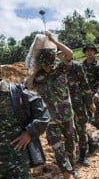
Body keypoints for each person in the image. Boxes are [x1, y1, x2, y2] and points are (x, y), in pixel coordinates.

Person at [31, 31, 77, 179]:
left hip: (66, 115)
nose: (48, 68)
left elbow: (70, 54)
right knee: (57, 147)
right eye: (44, 65)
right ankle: (66, 172)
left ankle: (72, 166)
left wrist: (54, 41)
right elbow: (28, 85)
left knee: (70, 143)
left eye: (50, 65)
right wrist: (36, 69)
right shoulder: (38, 77)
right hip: (50, 119)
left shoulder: (61, 69)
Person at [67, 59, 97, 166]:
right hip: (64, 106)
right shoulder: (55, 69)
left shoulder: (76, 66)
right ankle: (92, 142)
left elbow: (85, 84)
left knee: (81, 128)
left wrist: (90, 102)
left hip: (78, 103)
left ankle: (83, 157)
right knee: (75, 130)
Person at [82, 44, 99, 143]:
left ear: (94, 52)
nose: (89, 52)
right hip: (85, 95)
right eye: (87, 51)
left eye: (91, 50)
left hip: (96, 95)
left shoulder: (98, 65)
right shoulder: (82, 65)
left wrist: (98, 93)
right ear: (85, 53)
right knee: (86, 117)